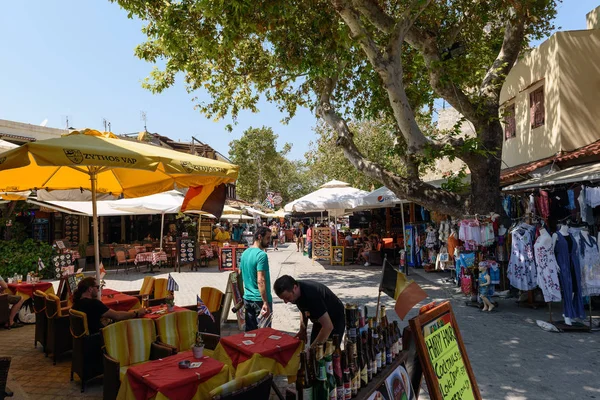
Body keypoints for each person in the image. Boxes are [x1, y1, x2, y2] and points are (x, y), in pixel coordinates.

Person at [274, 275, 345, 347]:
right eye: (283, 299)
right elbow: (303, 309)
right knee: (314, 348)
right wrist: (303, 330)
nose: (286, 302)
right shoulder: (296, 294)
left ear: (295, 288)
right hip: (319, 318)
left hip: (334, 319)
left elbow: (328, 327)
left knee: (327, 352)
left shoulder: (311, 295)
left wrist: (311, 349)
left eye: (287, 298)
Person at [72, 277, 150, 334]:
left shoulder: (76, 304)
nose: (99, 290)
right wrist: (136, 313)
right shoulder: (94, 303)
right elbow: (117, 316)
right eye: (97, 287)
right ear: (90, 289)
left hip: (86, 339)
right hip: (99, 338)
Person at [239, 226, 272, 331]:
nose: (269, 241)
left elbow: (239, 275)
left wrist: (242, 295)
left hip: (247, 299)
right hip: (260, 300)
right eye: (267, 238)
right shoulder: (262, 255)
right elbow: (261, 280)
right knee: (264, 334)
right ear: (259, 237)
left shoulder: (244, 253)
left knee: (250, 334)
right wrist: (265, 302)